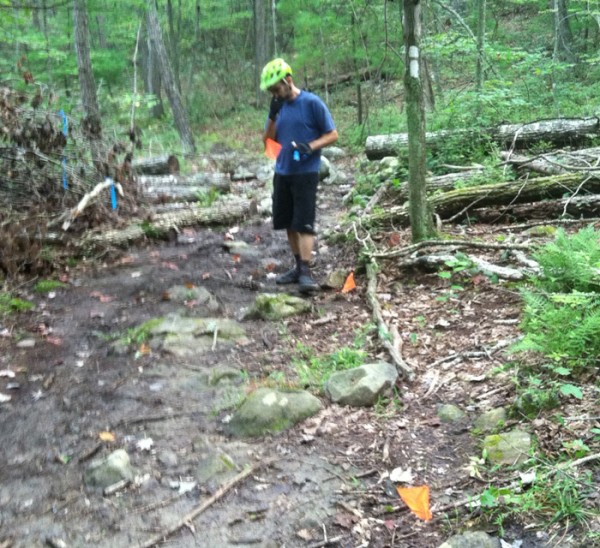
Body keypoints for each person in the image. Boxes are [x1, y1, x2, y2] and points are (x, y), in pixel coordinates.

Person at [260, 58, 339, 293]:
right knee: (288, 223)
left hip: (305, 172)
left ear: (289, 80)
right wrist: (273, 116)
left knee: (304, 223)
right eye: (271, 92)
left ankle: (305, 271)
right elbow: (267, 144)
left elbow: (332, 134)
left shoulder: (312, 103)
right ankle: (297, 266)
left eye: (276, 89)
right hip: (283, 171)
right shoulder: (277, 107)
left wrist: (311, 146)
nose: (274, 94)